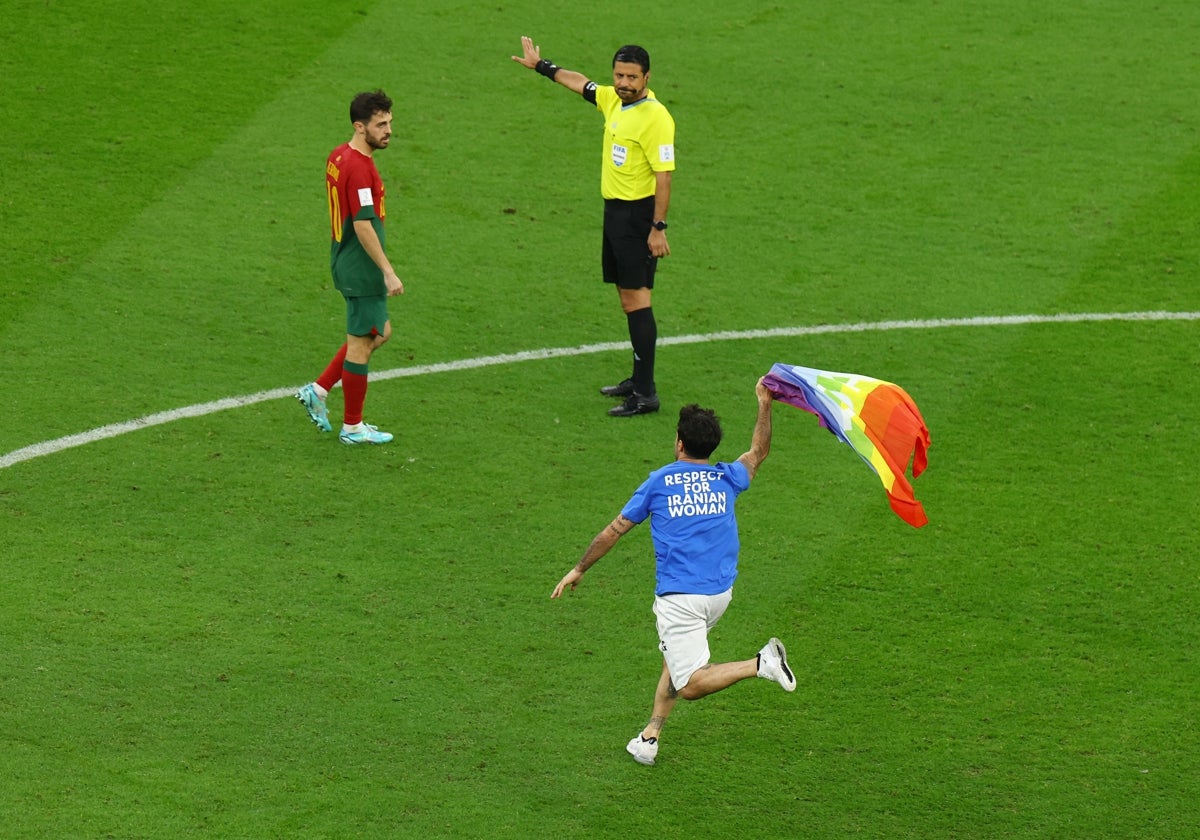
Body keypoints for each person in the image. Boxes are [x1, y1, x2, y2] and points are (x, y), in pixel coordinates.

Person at [551, 379, 795, 766]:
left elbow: (613, 531)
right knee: (674, 656)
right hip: (720, 596)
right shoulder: (726, 476)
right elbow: (758, 451)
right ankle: (650, 736)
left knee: (692, 683)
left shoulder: (660, 482)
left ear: (680, 442)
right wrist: (765, 404)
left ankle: (760, 663)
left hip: (681, 599)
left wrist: (579, 568)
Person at [512, 36, 675, 417]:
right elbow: (580, 83)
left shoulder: (656, 118)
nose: (624, 83)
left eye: (632, 77)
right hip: (615, 215)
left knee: (637, 299)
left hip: (638, 218)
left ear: (647, 77)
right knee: (626, 297)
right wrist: (542, 66)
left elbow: (664, 177)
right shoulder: (613, 99)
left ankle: (646, 393)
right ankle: (638, 379)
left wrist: (658, 227)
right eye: (619, 75)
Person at [296, 89, 404, 445]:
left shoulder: (339, 156)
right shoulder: (359, 169)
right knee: (362, 342)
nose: (388, 130)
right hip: (361, 266)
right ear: (360, 127)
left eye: (389, 121)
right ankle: (353, 427)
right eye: (380, 125)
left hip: (344, 258)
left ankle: (319, 388)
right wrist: (387, 271)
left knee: (379, 331)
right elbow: (362, 224)